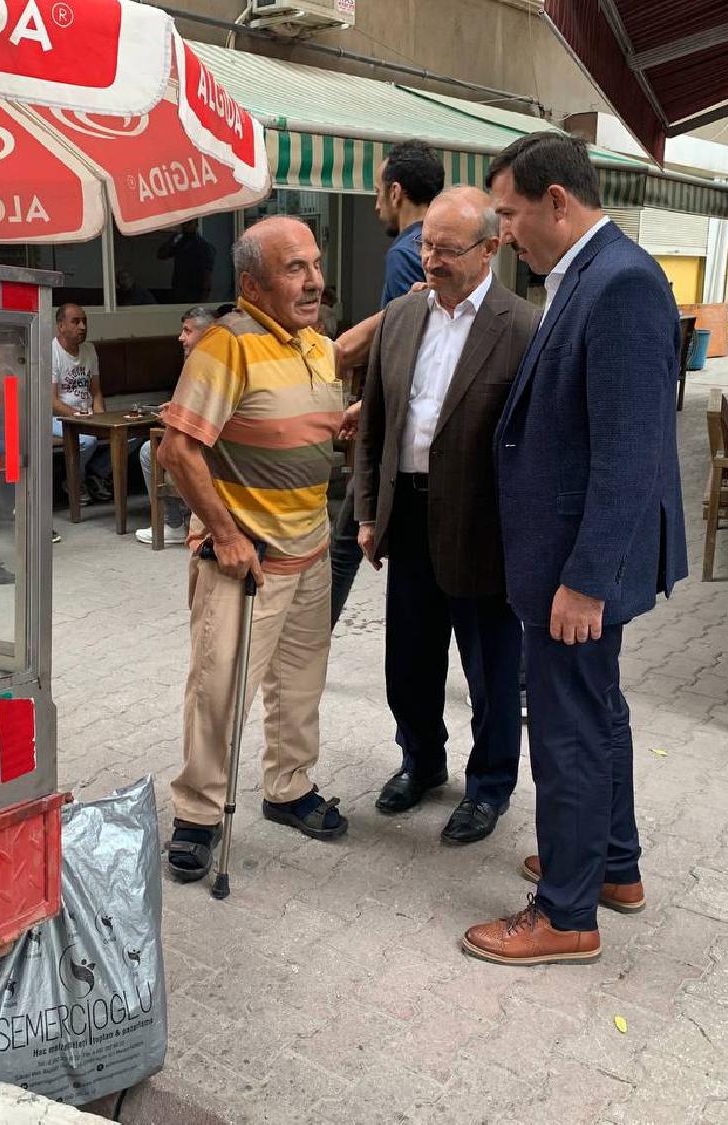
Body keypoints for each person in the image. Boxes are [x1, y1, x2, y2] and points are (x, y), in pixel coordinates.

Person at [464, 133, 687, 965]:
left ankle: (565, 912)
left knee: (568, 728)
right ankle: (611, 865)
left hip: (576, 566)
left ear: (558, 201)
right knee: (597, 711)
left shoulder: (620, 283)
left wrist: (586, 580)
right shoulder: (586, 273)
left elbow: (630, 452)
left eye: (511, 214)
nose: (504, 233)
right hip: (566, 556)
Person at [158, 217, 348, 883]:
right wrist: (228, 534)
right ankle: (198, 813)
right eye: (295, 268)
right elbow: (178, 450)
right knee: (220, 690)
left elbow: (308, 419)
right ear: (252, 284)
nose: (314, 281)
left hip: (311, 551)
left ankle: (288, 788)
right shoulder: (225, 344)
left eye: (315, 265)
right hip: (247, 561)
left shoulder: (316, 345)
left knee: (299, 686)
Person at [354, 187, 538, 845]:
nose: (430, 259)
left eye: (447, 249)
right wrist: (368, 513)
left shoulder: (523, 327)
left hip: (484, 528)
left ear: (490, 249)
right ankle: (421, 761)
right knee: (408, 660)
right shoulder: (402, 316)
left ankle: (489, 786)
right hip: (407, 513)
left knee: (491, 671)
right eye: (426, 244)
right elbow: (375, 422)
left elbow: (536, 444)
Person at [331, 140, 446, 629]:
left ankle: (310, 642)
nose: (376, 203)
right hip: (418, 423)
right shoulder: (433, 245)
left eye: (378, 191)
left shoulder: (406, 251)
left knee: (344, 543)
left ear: (396, 192)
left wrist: (371, 406)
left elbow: (407, 343)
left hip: (400, 428)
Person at [135, 307, 215, 545]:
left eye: (187, 331)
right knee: (152, 449)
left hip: (214, 442)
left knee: (150, 451)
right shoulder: (195, 360)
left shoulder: (216, 363)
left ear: (207, 333)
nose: (181, 337)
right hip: (199, 434)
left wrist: (176, 417)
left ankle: (175, 523)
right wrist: (176, 408)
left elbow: (213, 411)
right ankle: (181, 520)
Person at [51, 303, 114, 502]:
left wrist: (102, 420)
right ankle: (74, 481)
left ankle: (97, 472)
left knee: (129, 433)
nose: (83, 327)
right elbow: (51, 401)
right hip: (58, 418)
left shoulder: (89, 349)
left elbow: (96, 392)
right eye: (76, 322)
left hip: (87, 415)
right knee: (87, 440)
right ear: (61, 326)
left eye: (84, 321)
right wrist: (79, 417)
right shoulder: (51, 352)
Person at [158, 220, 216, 304]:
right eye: (184, 223)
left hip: (195, 291)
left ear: (196, 224)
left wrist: (204, 298)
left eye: (189, 223)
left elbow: (207, 274)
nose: (185, 226)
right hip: (178, 289)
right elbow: (161, 255)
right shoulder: (180, 243)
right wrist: (172, 239)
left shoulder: (203, 245)